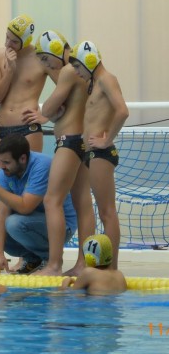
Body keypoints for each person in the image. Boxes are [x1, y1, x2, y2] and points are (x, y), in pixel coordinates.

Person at [32, 31, 96, 277]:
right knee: (83, 204)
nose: (47, 67)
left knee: (52, 200)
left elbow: (48, 108)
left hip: (69, 142)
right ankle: (84, 264)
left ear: (58, 51)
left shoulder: (69, 70)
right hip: (83, 141)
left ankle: (54, 265)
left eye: (47, 60)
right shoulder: (83, 72)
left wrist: (47, 112)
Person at [0, 133, 77, 274]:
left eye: (6, 162)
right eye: (0, 161)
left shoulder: (41, 166)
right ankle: (31, 258)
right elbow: (2, 211)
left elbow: (25, 207)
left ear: (23, 159)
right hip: (30, 221)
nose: (1, 166)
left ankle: (50, 260)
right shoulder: (5, 172)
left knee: (14, 223)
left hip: (61, 227)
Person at [69, 41, 129, 270]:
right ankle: (101, 266)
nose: (76, 72)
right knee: (101, 210)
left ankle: (112, 268)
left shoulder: (107, 79)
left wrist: (107, 139)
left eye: (77, 67)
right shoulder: (94, 83)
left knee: (107, 211)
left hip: (101, 152)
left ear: (89, 62)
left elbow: (122, 110)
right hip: (91, 153)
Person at [0, 15, 56, 208]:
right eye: (7, 37)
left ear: (26, 41)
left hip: (28, 131)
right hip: (2, 130)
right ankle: (0, 240)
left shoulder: (41, 59)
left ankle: (22, 236)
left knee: (25, 192)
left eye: (14, 41)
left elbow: (66, 86)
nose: (8, 43)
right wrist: (10, 70)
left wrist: (46, 115)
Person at [60, 234, 127, 295]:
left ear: (88, 257)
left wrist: (66, 281)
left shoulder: (88, 272)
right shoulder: (120, 275)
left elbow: (71, 295)